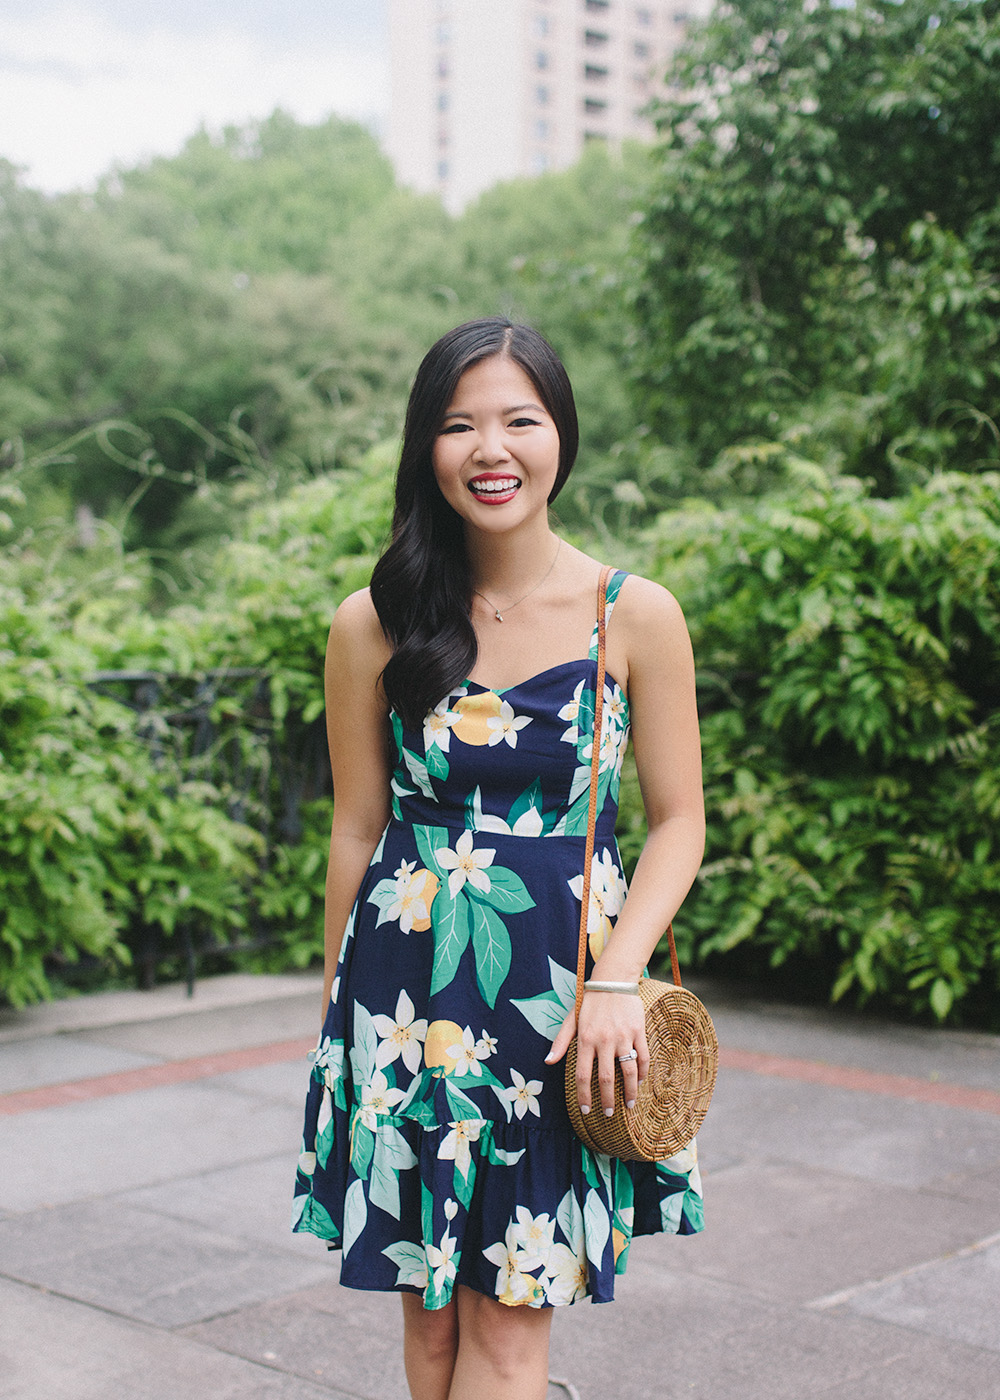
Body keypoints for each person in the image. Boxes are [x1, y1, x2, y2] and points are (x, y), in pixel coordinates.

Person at [293, 318, 706, 1400]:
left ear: (559, 435)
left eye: (519, 418)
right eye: (458, 423)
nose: (492, 447)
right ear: (425, 449)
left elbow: (678, 821)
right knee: (429, 1332)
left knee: (509, 1331)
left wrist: (618, 975)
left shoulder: (634, 613)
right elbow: (355, 825)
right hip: (403, 1000)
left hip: (559, 999)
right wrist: (335, 1004)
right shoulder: (372, 623)